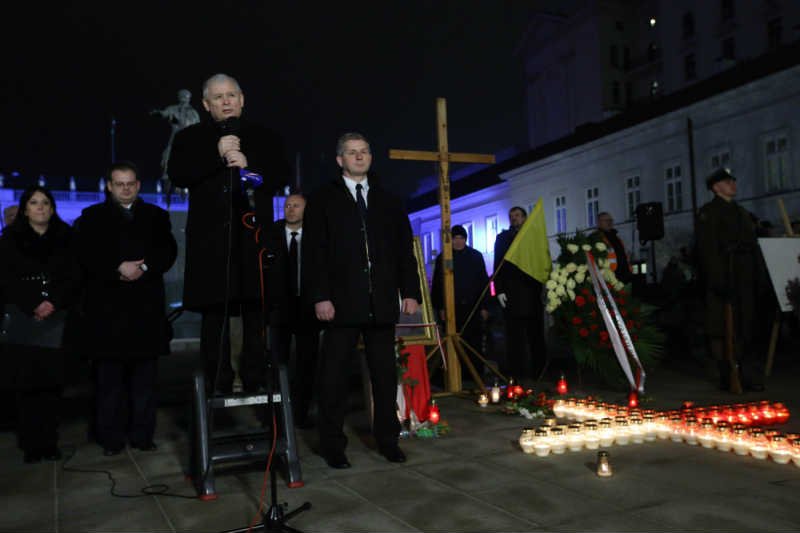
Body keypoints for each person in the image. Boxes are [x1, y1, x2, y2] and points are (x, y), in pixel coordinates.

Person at [167, 73, 290, 394]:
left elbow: (280, 175)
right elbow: (178, 174)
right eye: (218, 97)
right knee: (214, 318)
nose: (226, 102)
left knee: (255, 317)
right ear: (206, 104)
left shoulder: (265, 136)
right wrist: (215, 156)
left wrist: (250, 168)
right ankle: (217, 384)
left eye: (231, 95)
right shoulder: (189, 138)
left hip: (253, 242)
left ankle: (256, 383)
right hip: (211, 245)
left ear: (242, 99)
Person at [304, 132, 420, 469]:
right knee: (334, 378)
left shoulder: (389, 200)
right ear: (339, 160)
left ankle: (388, 440)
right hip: (340, 305)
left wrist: (409, 291)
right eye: (352, 153)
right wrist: (320, 297)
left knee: (385, 377)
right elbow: (315, 254)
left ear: (371, 157)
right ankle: (332, 445)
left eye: (364, 151)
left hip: (381, 303)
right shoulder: (323, 199)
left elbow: (404, 251)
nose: (359, 157)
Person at [74, 161, 177, 455]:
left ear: (138, 185)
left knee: (145, 382)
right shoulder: (91, 217)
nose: (125, 188)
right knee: (109, 383)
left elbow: (168, 251)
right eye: (119, 184)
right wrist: (116, 268)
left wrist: (143, 266)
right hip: (107, 314)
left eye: (130, 183)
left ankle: (143, 436)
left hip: (145, 312)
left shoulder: (156, 216)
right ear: (109, 186)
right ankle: (111, 439)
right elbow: (85, 256)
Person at [0, 186, 80, 463]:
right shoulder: (9, 239)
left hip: (56, 317)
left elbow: (73, 276)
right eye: (34, 203)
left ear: (52, 207)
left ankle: (50, 442)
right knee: (27, 384)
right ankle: (32, 445)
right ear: (25, 208)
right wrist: (32, 303)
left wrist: (53, 302)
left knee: (51, 385)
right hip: (25, 317)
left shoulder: (66, 238)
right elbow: (6, 279)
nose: (40, 207)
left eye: (45, 202)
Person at [696, 168, 764, 392]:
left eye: (733, 180)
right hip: (725, 275)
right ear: (716, 188)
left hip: (744, 276)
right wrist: (718, 281)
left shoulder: (742, 212)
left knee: (746, 327)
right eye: (727, 182)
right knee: (724, 329)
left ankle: (747, 373)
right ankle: (728, 374)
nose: (732, 184)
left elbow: (752, 246)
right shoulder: (709, 212)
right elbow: (708, 251)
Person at [264, 193, 320, 428]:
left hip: (307, 309)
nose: (291, 209)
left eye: (296, 205)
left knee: (307, 364)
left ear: (306, 209)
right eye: (288, 205)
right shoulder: (271, 235)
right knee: (278, 363)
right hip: (279, 310)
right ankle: (277, 416)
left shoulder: (317, 236)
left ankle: (300, 414)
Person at [493, 206, 547, 381]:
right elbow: (497, 265)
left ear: (525, 218)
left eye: (517, 215)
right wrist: (499, 289)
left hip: (531, 293)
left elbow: (541, 260)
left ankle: (539, 371)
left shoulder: (534, 236)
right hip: (511, 293)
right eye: (511, 216)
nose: (514, 218)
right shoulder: (502, 238)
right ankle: (516, 373)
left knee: (535, 335)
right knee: (514, 337)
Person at [431, 224, 490, 370]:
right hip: (452, 308)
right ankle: (456, 372)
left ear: (465, 239)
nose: (458, 241)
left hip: (473, 306)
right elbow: (438, 284)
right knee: (453, 341)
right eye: (455, 238)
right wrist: (440, 307)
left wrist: (485, 306)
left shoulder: (476, 256)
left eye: (461, 238)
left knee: (474, 341)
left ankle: (475, 372)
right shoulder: (443, 257)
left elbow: (483, 282)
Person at [151, 89, 201, 182]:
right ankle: (167, 173)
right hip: (176, 137)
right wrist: (157, 113)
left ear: (189, 98)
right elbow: (164, 113)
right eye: (182, 96)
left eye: (185, 96)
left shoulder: (193, 113)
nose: (183, 98)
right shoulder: (173, 108)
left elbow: (197, 127)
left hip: (188, 138)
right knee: (168, 155)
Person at [591, 212, 632, 283]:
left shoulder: (617, 238)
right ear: (599, 223)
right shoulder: (595, 238)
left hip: (625, 276)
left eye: (610, 220)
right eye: (606, 220)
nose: (609, 222)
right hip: (609, 278)